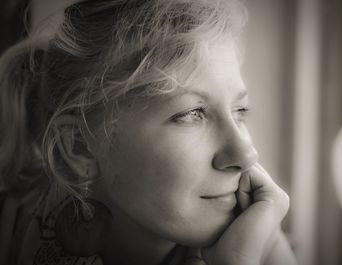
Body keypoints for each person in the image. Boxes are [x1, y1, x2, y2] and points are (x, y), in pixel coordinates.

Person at [0, 0, 297, 264]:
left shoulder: (258, 242)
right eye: (191, 114)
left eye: (240, 111)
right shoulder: (11, 238)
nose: (246, 154)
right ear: (79, 145)